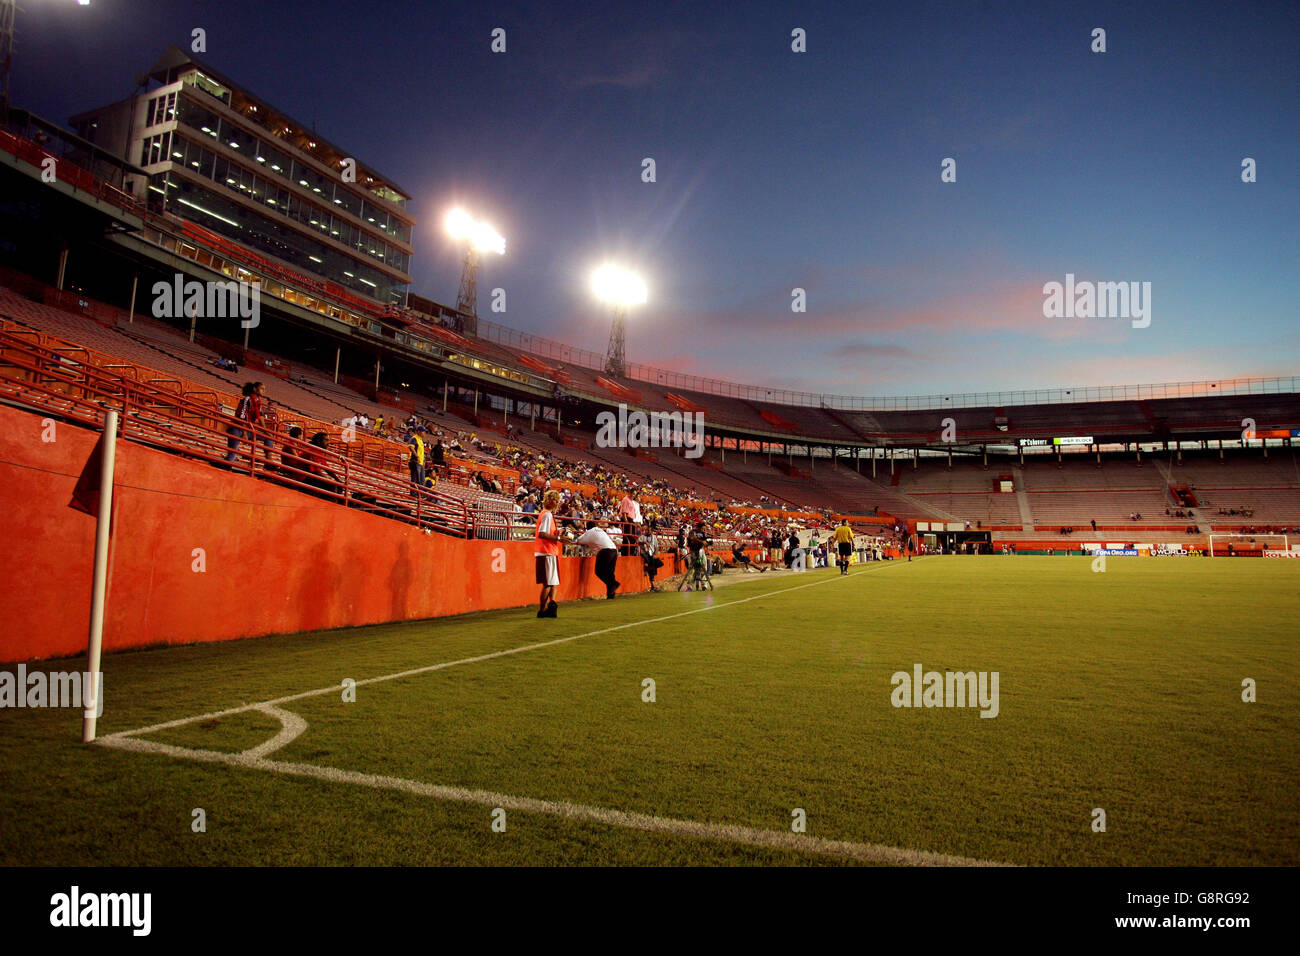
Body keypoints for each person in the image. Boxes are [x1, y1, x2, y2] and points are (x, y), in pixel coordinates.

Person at [225, 381, 272, 464]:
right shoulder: (247, 399)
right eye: (262, 389)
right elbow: (242, 416)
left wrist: (266, 431)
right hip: (237, 428)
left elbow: (260, 417)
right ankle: (227, 463)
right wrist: (245, 433)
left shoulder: (258, 401)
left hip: (248, 429)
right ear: (255, 389)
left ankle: (269, 462)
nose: (264, 391)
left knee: (267, 438)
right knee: (232, 452)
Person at [575, 518, 621, 599]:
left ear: (587, 527)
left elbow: (579, 540)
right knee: (610, 573)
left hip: (605, 551)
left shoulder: (589, 532)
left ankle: (613, 584)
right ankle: (611, 593)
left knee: (599, 572)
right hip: (614, 550)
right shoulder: (600, 530)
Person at [534, 490, 563, 617]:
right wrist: (558, 539)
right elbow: (542, 533)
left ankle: (551, 606)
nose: (557, 503)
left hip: (550, 551)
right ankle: (542, 610)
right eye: (555, 500)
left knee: (553, 582)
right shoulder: (547, 515)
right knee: (548, 583)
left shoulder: (546, 514)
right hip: (546, 551)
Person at [640, 521, 664, 591]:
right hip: (645, 553)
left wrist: (654, 554)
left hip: (651, 554)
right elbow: (638, 542)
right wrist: (644, 542)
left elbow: (656, 546)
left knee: (659, 564)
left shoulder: (653, 537)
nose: (648, 531)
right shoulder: (643, 537)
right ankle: (653, 585)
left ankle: (647, 569)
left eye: (649, 530)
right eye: (647, 530)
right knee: (652, 567)